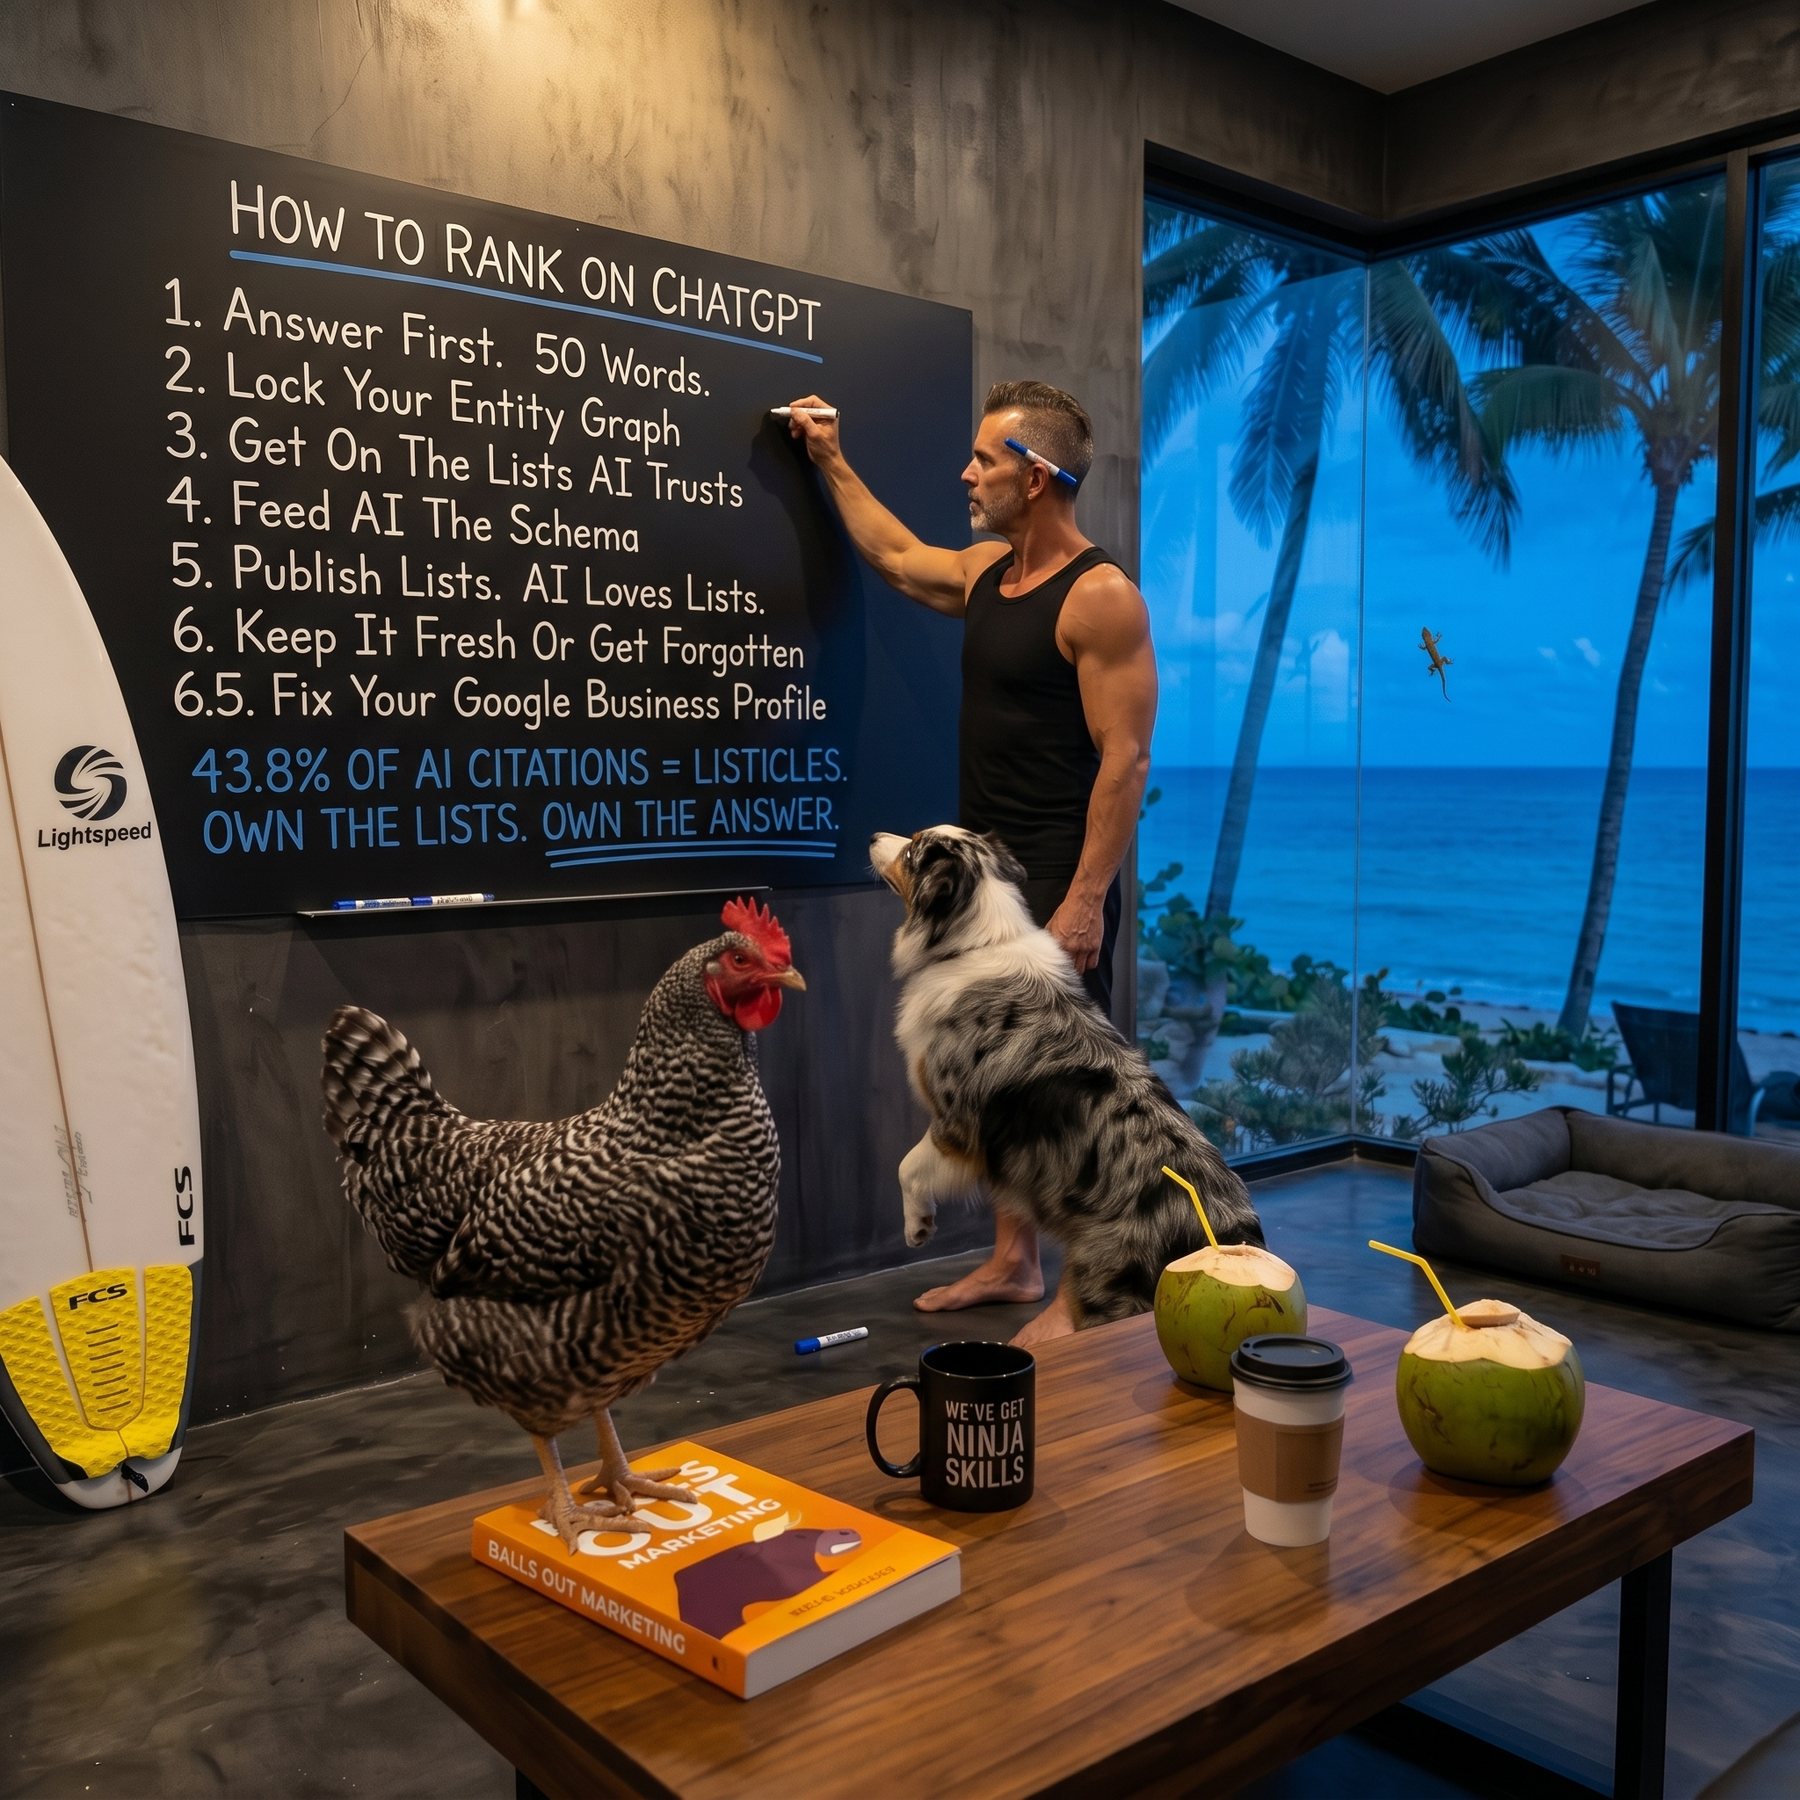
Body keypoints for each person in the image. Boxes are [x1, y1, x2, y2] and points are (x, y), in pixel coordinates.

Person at [784, 380, 1157, 1345]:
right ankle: (1012, 1260)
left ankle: (1093, 1289)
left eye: (984, 459)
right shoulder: (993, 573)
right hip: (987, 871)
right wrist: (827, 456)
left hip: (1055, 875)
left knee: (1061, 1094)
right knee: (993, 1079)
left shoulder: (1101, 596)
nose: (967, 473)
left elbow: (1127, 757)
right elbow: (898, 557)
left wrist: (1086, 901)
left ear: (1036, 477)